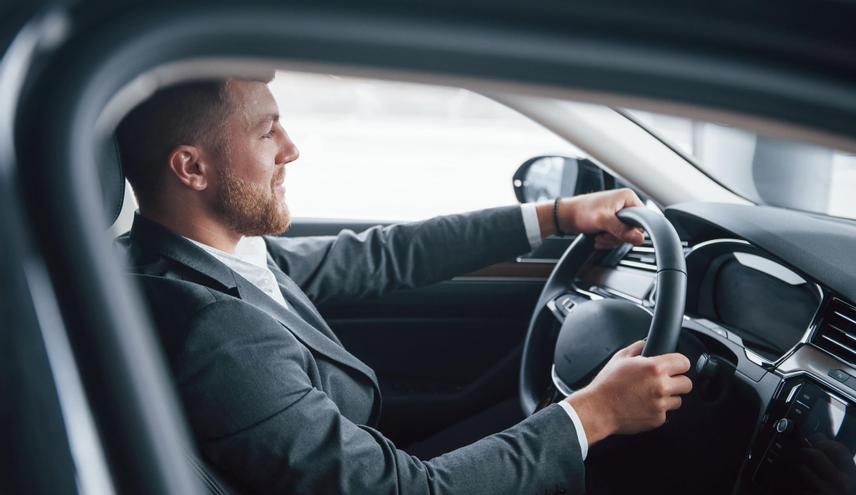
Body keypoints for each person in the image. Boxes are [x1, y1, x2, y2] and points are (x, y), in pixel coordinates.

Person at [114, 75, 693, 495]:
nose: (292, 149)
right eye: (268, 133)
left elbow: (383, 256)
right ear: (192, 168)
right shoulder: (212, 331)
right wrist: (595, 414)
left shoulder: (207, 262)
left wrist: (557, 215)